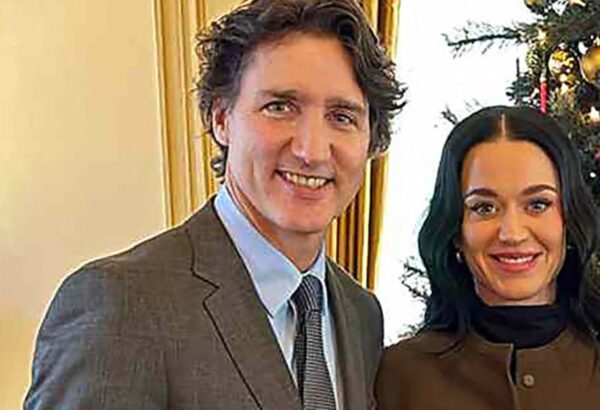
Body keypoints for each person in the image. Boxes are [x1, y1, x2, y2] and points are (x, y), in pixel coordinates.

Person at [24, 0, 405, 409]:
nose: (311, 150)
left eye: (342, 116)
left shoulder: (361, 314)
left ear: (371, 138)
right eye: (280, 107)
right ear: (221, 118)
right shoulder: (121, 303)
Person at [376, 106, 600, 409]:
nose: (512, 233)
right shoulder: (399, 376)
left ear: (569, 220)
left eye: (538, 204)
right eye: (484, 208)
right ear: (455, 230)